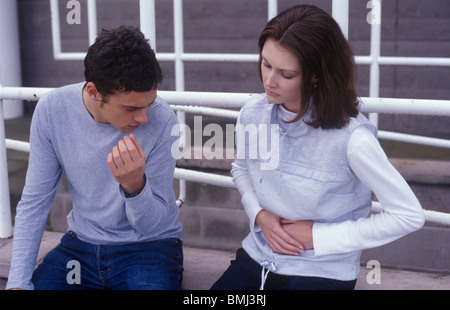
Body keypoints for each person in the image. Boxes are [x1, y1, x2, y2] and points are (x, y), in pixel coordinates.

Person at [211, 5, 425, 290]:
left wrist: (318, 237)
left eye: (286, 74)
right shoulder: (252, 113)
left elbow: (408, 215)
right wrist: (258, 214)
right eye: (266, 63)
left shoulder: (353, 138)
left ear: (315, 74)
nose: (269, 81)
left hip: (325, 271)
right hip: (258, 257)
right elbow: (241, 168)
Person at [7, 26, 183, 290]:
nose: (144, 118)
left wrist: (135, 187)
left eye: (149, 103)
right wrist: (17, 283)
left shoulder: (163, 120)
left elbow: (151, 225)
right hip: (80, 249)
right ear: (93, 92)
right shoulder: (52, 111)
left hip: (148, 248)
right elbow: (34, 203)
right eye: (131, 108)